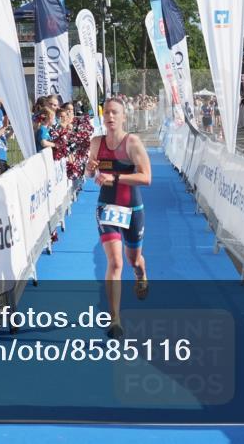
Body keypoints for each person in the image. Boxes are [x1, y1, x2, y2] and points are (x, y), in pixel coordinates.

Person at [86, 97, 152, 340]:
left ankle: (141, 274)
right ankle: (115, 319)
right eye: (107, 114)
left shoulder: (132, 142)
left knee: (133, 260)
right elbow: (89, 171)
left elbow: (146, 178)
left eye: (115, 113)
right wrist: (91, 169)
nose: (110, 117)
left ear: (124, 117)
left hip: (132, 209)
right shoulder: (96, 142)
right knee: (115, 263)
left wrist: (114, 178)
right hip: (107, 207)